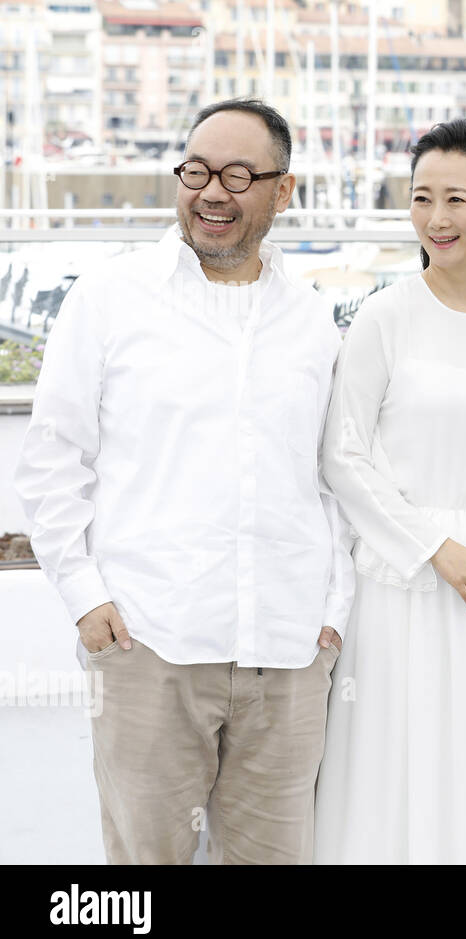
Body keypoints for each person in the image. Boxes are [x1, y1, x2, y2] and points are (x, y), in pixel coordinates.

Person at [15, 98, 354, 864]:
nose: (212, 192)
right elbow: (51, 457)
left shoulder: (310, 318)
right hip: (149, 643)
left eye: (239, 174)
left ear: (284, 190)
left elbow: (331, 477)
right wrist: (86, 598)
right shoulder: (111, 297)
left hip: (288, 652)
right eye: (197, 171)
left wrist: (333, 612)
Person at [313, 119, 466, 864]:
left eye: (457, 199)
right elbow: (342, 456)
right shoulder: (386, 315)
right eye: (422, 198)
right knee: (400, 770)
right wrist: (435, 550)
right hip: (405, 584)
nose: (436, 218)